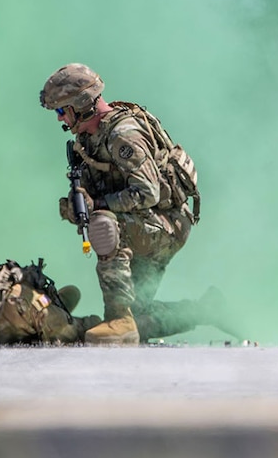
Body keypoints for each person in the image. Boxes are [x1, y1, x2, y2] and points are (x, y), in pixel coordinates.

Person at [39, 63, 232, 345]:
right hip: (145, 224)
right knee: (141, 318)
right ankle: (205, 310)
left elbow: (148, 192)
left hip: (165, 225)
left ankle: (118, 320)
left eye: (61, 111)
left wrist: (98, 205)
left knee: (104, 224)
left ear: (80, 104)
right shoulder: (88, 138)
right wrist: (77, 204)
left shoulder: (123, 136)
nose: (59, 119)